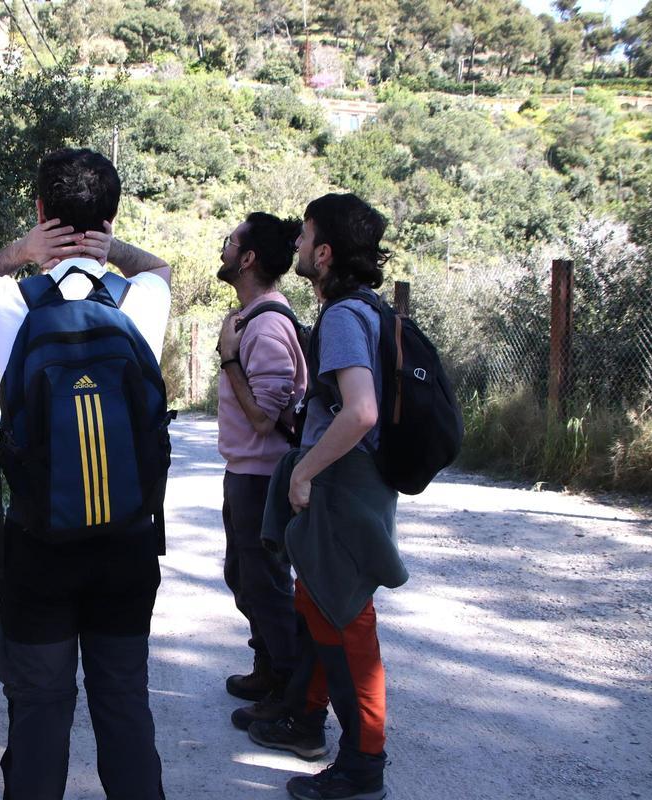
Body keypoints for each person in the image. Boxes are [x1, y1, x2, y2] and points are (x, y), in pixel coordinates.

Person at [0, 147, 171, 800]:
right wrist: (110, 245)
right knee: (124, 703)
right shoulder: (141, 300)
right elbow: (160, 267)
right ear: (111, 215)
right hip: (127, 542)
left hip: (39, 546)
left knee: (41, 712)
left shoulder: (11, 305)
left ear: (40, 212)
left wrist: (19, 250)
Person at [249, 193, 407, 800]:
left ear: (326, 251)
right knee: (318, 606)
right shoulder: (368, 311)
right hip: (351, 481)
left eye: (304, 235)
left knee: (350, 622)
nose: (295, 246)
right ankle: (309, 720)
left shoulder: (343, 316)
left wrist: (303, 471)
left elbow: (361, 411)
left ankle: (363, 765)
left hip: (342, 482)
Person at [213, 213, 309, 731]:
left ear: (247, 258)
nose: (224, 247)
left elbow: (265, 417)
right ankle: (268, 666)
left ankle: (291, 694)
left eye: (231, 241)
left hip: (263, 477)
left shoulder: (267, 325)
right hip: (249, 473)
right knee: (246, 576)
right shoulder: (256, 316)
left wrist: (229, 359)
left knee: (266, 585)